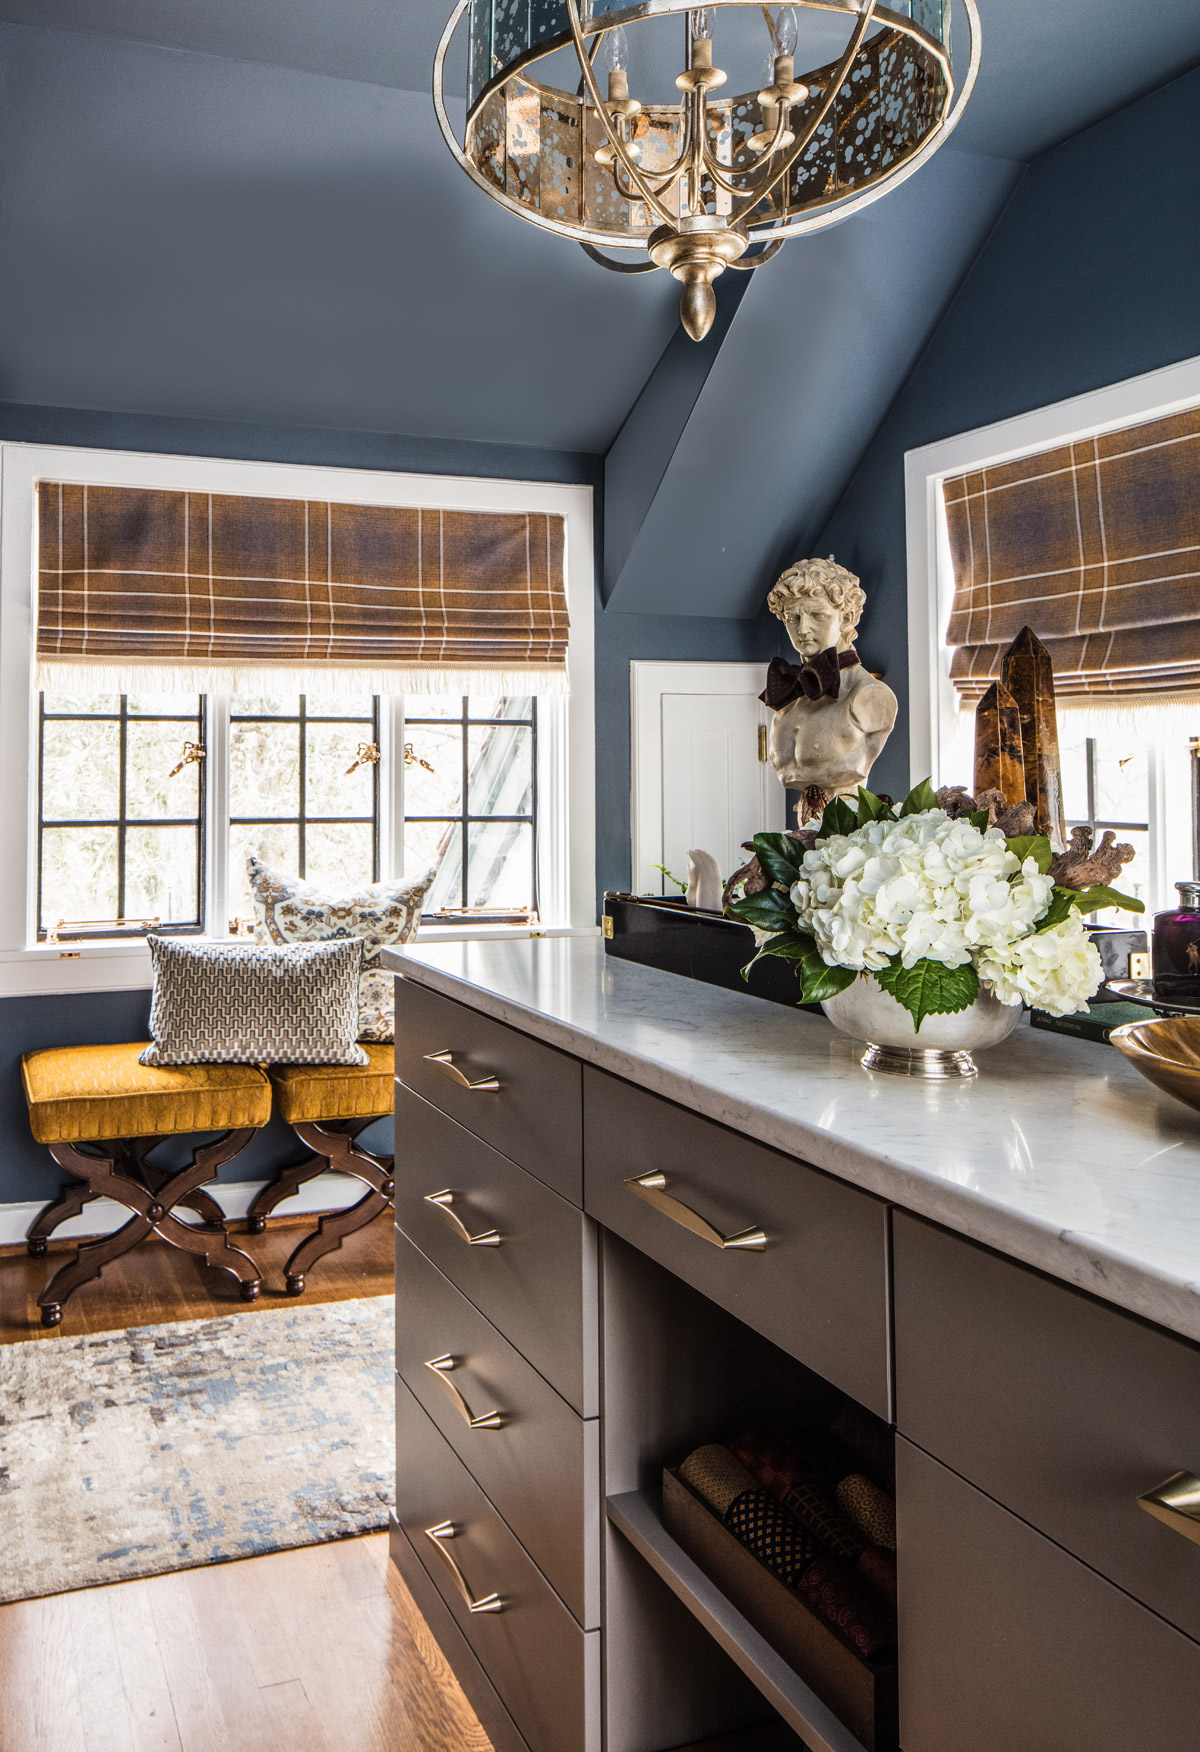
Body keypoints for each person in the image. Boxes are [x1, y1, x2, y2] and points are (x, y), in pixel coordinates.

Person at [761, 556, 898, 823]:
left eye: (818, 615)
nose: (803, 629)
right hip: (802, 833)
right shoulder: (791, 694)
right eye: (792, 618)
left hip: (849, 828)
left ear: (846, 618)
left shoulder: (870, 696)